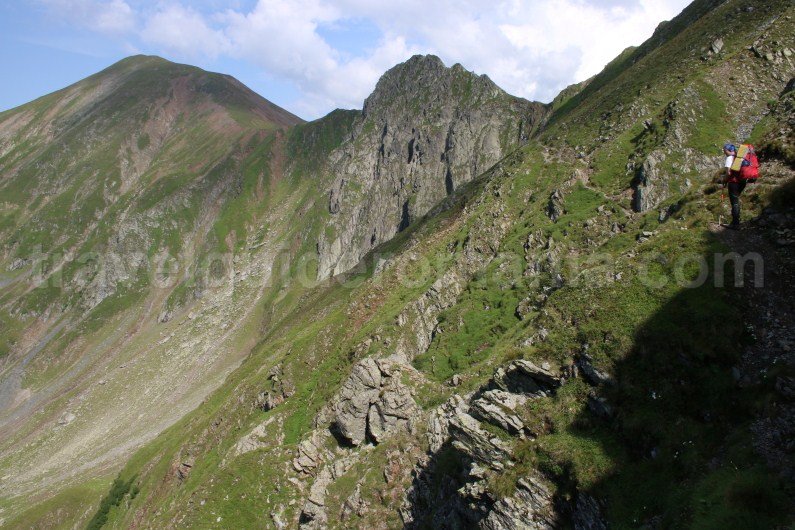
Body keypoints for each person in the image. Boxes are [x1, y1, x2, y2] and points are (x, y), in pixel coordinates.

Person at [722, 143, 746, 229]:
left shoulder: (730, 158)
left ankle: (735, 224)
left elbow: (728, 173)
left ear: (728, 150)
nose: (724, 152)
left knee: (734, 202)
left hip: (733, 183)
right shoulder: (740, 157)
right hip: (742, 182)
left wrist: (724, 180)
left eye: (724, 150)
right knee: (736, 200)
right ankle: (736, 221)